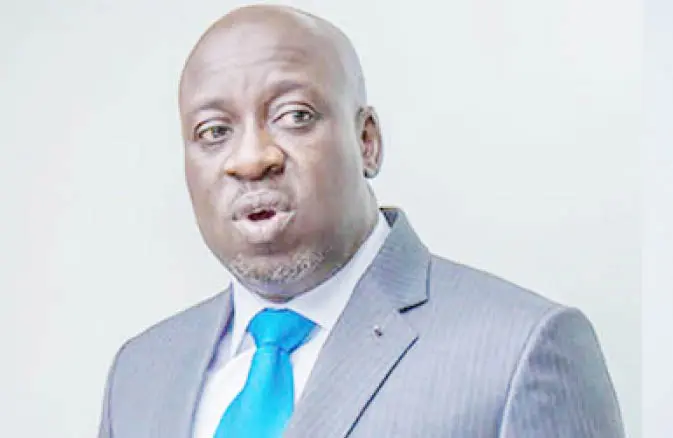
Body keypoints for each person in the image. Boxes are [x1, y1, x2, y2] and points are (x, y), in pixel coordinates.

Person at [97, 4, 625, 438]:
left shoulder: (522, 352)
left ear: (367, 141)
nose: (252, 159)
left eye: (295, 116)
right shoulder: (138, 375)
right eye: (214, 131)